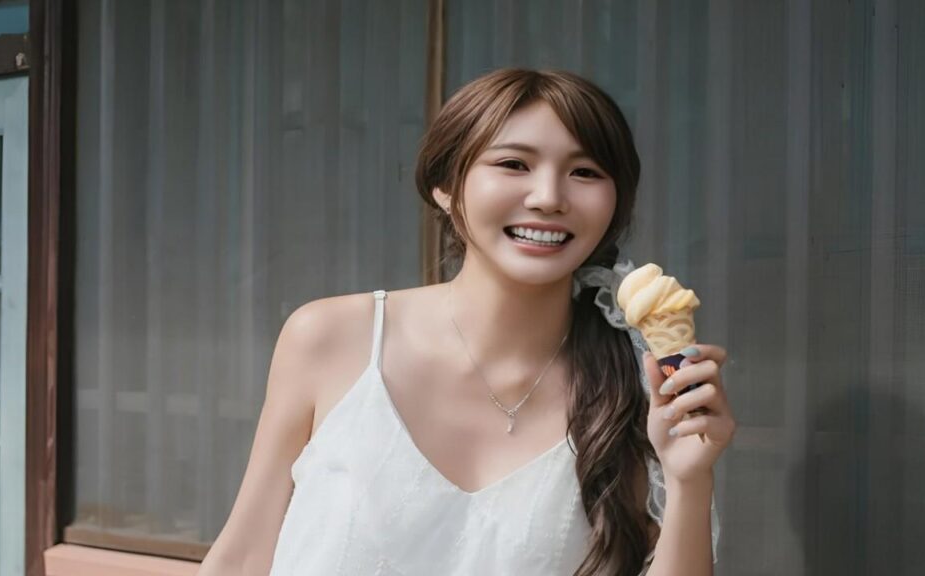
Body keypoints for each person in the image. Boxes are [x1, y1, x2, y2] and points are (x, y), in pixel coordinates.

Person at [197, 68, 735, 576]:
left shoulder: (638, 387)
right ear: (446, 185)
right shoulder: (331, 338)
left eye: (585, 172)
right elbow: (243, 557)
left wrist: (689, 478)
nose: (548, 197)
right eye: (513, 164)